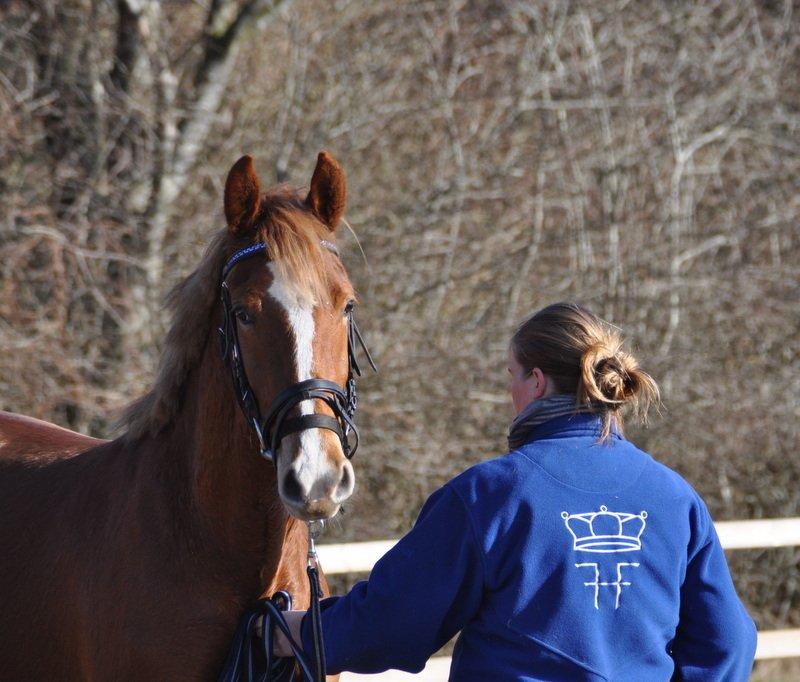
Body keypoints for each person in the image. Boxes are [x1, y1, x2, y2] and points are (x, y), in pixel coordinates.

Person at [276, 302, 757, 680]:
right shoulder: (676, 499)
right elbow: (728, 642)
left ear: (537, 381)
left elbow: (391, 623)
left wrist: (290, 632)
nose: (510, 391)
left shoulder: (491, 496)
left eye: (512, 375)